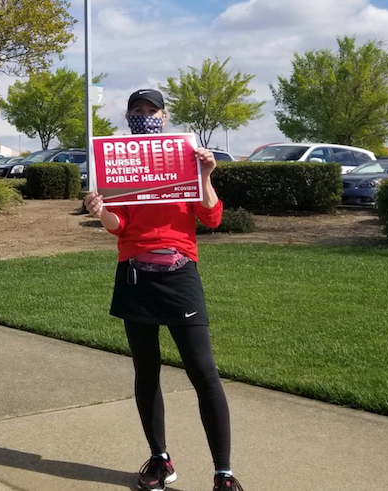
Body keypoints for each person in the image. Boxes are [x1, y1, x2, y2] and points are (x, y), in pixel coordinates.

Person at [84, 89, 243, 491]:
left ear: (165, 116)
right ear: (128, 117)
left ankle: (223, 473)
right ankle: (160, 459)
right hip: (135, 275)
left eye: (151, 110)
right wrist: (101, 212)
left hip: (179, 274)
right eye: (137, 111)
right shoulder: (120, 164)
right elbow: (120, 226)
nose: (145, 116)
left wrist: (205, 175)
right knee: (146, 371)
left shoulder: (186, 159)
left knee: (204, 374)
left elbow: (212, 217)